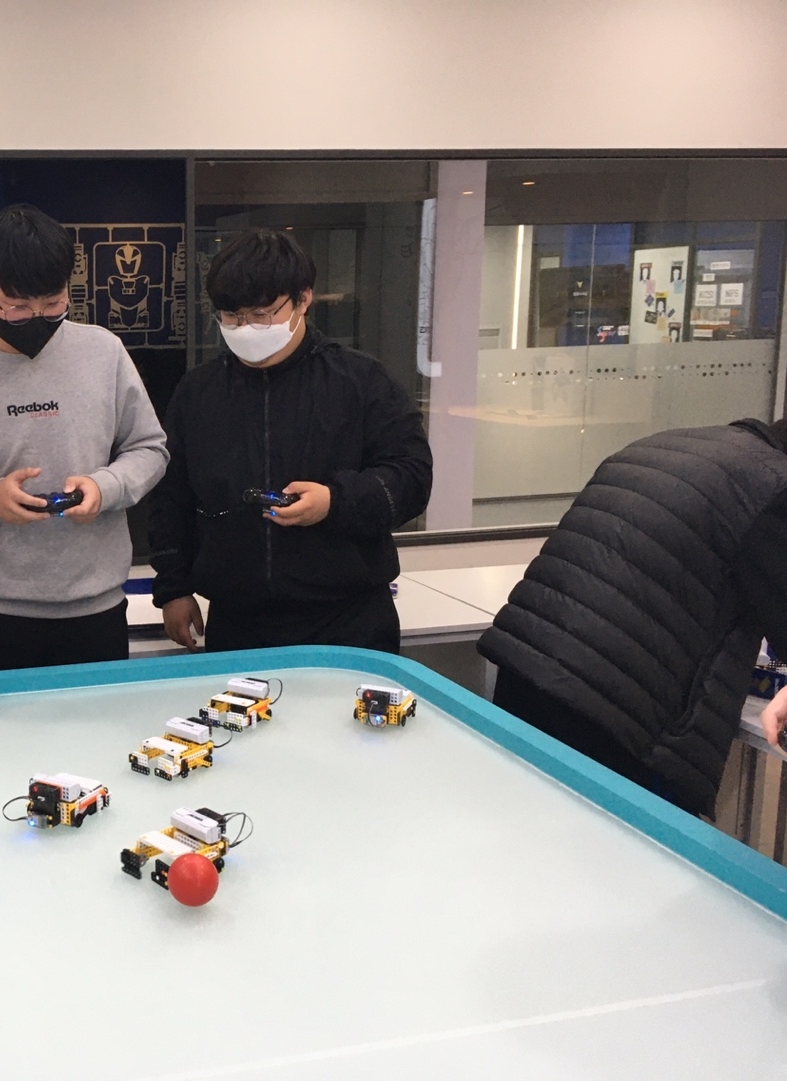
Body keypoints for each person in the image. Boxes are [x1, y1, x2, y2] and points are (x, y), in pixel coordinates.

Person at [478, 418, 787, 817]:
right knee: (619, 851)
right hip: (619, 720)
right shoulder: (774, 487)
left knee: (520, 830)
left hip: (527, 675)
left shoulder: (668, 442)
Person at [147, 228, 432, 654]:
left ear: (303, 299)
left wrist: (335, 502)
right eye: (231, 316)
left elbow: (412, 478)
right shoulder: (199, 392)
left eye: (262, 314)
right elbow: (170, 496)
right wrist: (173, 588)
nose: (245, 328)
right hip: (238, 623)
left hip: (348, 619)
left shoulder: (360, 380)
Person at [0, 204, 168, 674]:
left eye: (53, 304)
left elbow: (149, 448)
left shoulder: (104, 352)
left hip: (95, 609)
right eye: (17, 307)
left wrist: (105, 487)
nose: (37, 317)